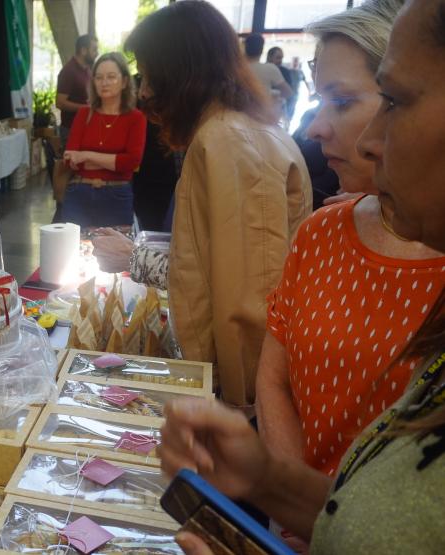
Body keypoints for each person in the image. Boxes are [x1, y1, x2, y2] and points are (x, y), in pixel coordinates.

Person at [161, 1, 445, 552]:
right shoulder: (323, 230)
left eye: (393, 100)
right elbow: (365, 514)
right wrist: (271, 481)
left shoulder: (225, 142)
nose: (360, 138)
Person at [258, 0, 444, 479]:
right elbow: (276, 377)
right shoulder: (321, 231)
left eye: (342, 102)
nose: (318, 127)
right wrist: (292, 499)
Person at [94, 1, 312, 410]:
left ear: (181, 71)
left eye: (150, 74)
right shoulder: (230, 131)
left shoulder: (229, 141)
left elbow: (248, 299)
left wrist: (239, 407)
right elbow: (214, 256)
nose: (144, 92)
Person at [59, 52, 146, 228]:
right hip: (79, 193)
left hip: (117, 194)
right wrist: (112, 161)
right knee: (70, 252)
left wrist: (85, 156)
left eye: (111, 77)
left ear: (124, 82)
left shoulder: (136, 118)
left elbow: (131, 162)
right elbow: (69, 160)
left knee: (115, 253)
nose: (104, 82)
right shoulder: (84, 114)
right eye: (98, 77)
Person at [132, 74, 179, 232]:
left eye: (149, 81)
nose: (141, 93)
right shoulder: (141, 105)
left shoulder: (178, 106)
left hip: (166, 181)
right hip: (142, 180)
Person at [56, 34, 98, 146]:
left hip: (86, 128)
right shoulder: (69, 71)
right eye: (94, 50)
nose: (97, 53)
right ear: (83, 50)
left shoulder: (88, 70)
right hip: (71, 130)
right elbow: (59, 103)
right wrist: (86, 108)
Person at [245, 34, 294, 120]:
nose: (280, 60)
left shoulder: (235, 69)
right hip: (262, 116)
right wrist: (270, 95)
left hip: (239, 115)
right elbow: (288, 92)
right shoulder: (270, 68)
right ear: (262, 49)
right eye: (278, 57)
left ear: (245, 48)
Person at [267, 46, 304, 122]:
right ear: (269, 57)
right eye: (278, 58)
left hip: (280, 110)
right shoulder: (263, 70)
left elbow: (289, 93)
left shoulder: (285, 72)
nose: (280, 61)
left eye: (281, 58)